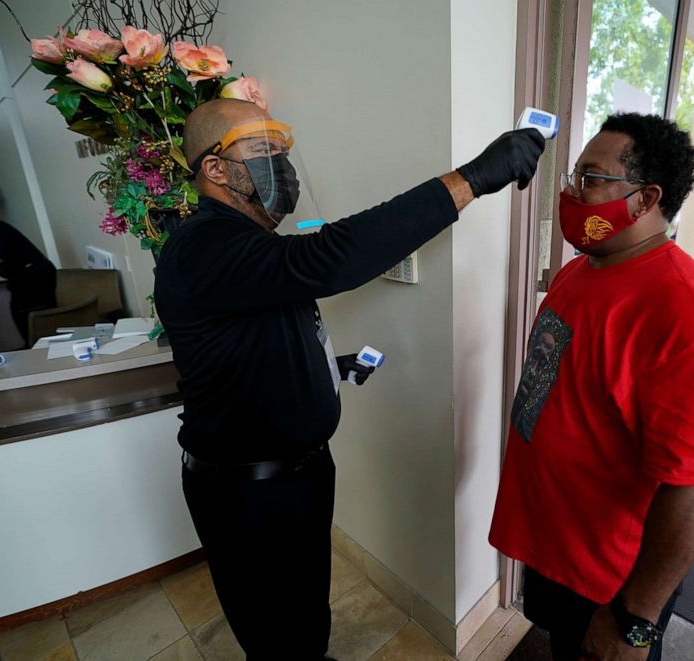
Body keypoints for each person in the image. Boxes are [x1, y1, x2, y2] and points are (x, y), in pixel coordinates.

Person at [153, 99, 544, 659]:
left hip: (297, 476)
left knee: (306, 612)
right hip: (248, 493)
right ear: (214, 169)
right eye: (265, 152)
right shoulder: (202, 244)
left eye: (284, 154)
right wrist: (472, 179)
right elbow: (329, 258)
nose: (282, 168)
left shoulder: (249, 248)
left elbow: (251, 342)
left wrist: (326, 370)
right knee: (274, 631)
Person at [489, 112, 694, 661]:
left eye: (591, 177)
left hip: (610, 581)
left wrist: (635, 619)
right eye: (575, 175)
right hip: (555, 547)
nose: (572, 191)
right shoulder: (581, 270)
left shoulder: (686, 315)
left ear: (645, 198)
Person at [0, 211, 56, 347]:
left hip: (33, 275)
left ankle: (42, 354)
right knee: (29, 322)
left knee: (35, 326)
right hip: (26, 274)